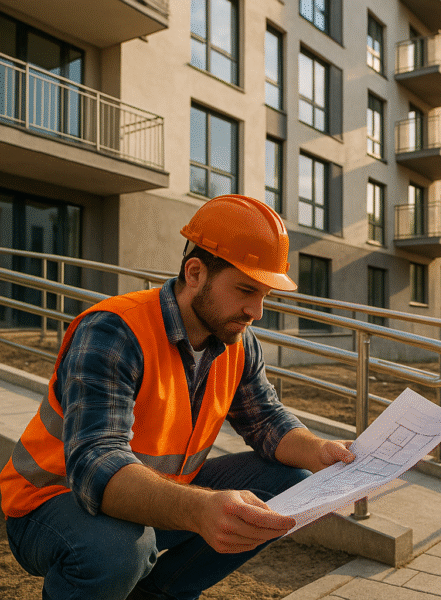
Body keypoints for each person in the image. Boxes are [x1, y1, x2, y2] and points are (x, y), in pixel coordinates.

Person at [0, 194, 355, 600]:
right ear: (196, 272)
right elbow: (96, 464)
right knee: (116, 551)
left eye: (265, 296)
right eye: (245, 290)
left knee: (291, 483)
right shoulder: (114, 331)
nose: (256, 311)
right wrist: (200, 509)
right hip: (52, 500)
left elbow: (266, 421)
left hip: (160, 492)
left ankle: (158, 594)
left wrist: (321, 451)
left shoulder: (236, 340)